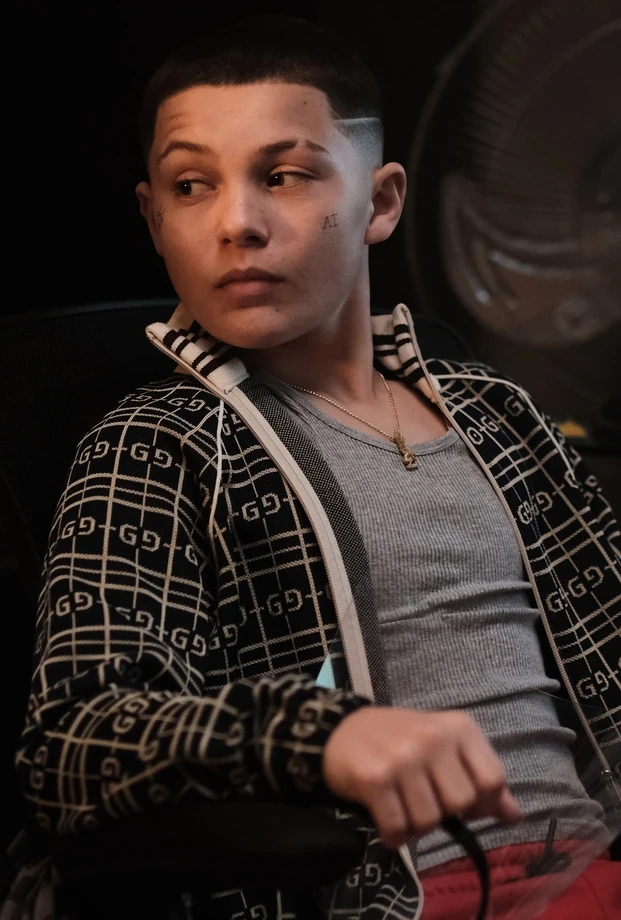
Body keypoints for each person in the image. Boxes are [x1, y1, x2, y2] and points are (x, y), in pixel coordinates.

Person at [2, 12, 620, 920]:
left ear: (381, 202)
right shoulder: (157, 445)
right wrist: (322, 736)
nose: (236, 224)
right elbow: (75, 744)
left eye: (283, 175)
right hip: (398, 899)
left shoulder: (498, 414)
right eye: (190, 185)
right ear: (154, 219)